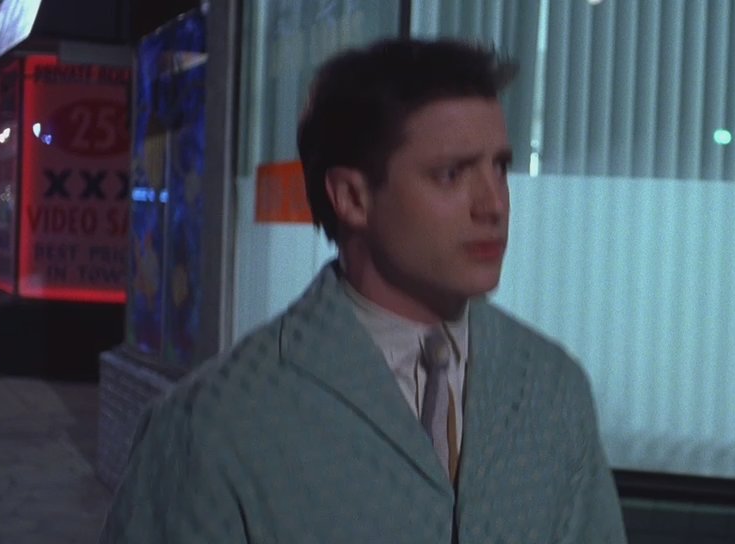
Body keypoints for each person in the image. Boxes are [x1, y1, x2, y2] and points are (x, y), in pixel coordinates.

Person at [101, 38, 626, 543]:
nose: (493, 204)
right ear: (352, 197)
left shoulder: (551, 388)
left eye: (500, 167)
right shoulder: (216, 424)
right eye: (451, 174)